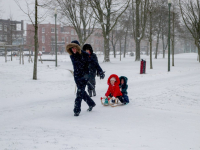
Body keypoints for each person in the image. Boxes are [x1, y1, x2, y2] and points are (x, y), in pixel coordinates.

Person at [66, 40, 105, 116]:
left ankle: (76, 110)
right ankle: (91, 103)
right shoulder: (72, 55)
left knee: (79, 93)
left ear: (78, 48)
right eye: (72, 48)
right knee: (82, 92)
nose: (73, 49)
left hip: (84, 76)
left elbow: (94, 62)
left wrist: (100, 71)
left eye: (75, 48)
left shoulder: (85, 55)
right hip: (77, 76)